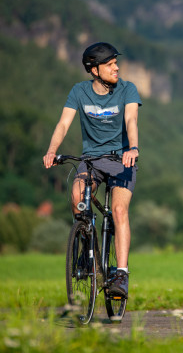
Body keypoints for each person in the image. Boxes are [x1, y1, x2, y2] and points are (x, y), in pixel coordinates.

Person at [43, 42, 142, 298]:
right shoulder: (79, 92)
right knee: (77, 198)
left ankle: (120, 273)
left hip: (122, 160)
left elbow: (131, 119)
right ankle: (86, 250)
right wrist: (52, 150)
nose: (116, 68)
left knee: (119, 211)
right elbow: (63, 124)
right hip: (91, 160)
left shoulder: (128, 89)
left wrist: (133, 147)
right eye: (110, 65)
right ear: (95, 70)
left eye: (115, 63)